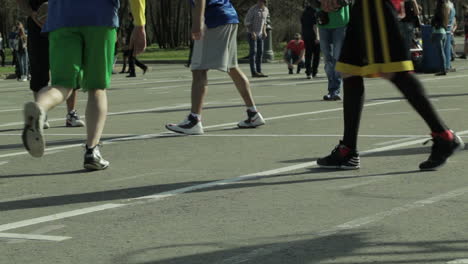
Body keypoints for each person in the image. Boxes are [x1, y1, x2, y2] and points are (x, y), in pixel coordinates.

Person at [317, 0, 464, 171]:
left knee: (395, 70)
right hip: (362, 8)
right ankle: (348, 150)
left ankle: (444, 136)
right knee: (350, 71)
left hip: (376, 6)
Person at [21, 0, 147, 170]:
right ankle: (92, 150)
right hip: (100, 16)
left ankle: (39, 109)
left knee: (62, 86)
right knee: (97, 88)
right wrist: (140, 23)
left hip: (61, 17)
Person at [166, 0, 265, 135]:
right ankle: (253, 113)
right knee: (232, 67)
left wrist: (198, 22)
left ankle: (194, 120)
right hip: (229, 16)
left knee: (199, 70)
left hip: (214, 19)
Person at [16, 0, 85, 128]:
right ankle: (41, 114)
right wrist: (33, 14)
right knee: (39, 69)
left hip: (63, 23)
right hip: (38, 27)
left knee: (70, 68)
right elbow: (20, 1)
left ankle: (71, 114)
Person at [317, 0, 350, 101]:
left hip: (340, 23)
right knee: (327, 59)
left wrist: (337, 3)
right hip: (323, 22)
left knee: (337, 58)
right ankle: (333, 89)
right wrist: (319, 4)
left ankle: (334, 90)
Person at [244, 0, 269, 78]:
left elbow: (265, 22)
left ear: (264, 2)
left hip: (260, 34)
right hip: (252, 34)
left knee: (260, 52)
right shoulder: (253, 9)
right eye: (258, 1)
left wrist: (264, 31)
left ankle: (259, 71)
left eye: (261, 1)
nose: (259, 2)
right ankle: (253, 72)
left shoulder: (266, 10)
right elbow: (247, 22)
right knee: (253, 52)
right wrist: (252, 32)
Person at [301, 5, 320, 79]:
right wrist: (317, 36)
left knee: (308, 55)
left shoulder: (304, 13)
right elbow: (315, 25)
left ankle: (308, 72)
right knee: (316, 55)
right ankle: (314, 71)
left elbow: (302, 25)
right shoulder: (315, 12)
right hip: (314, 36)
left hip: (306, 36)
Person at [431, 0, 450, 76]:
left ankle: (443, 70)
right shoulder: (445, 10)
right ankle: (444, 68)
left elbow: (434, 22)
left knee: (440, 53)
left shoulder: (438, 12)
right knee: (442, 53)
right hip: (444, 32)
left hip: (438, 32)